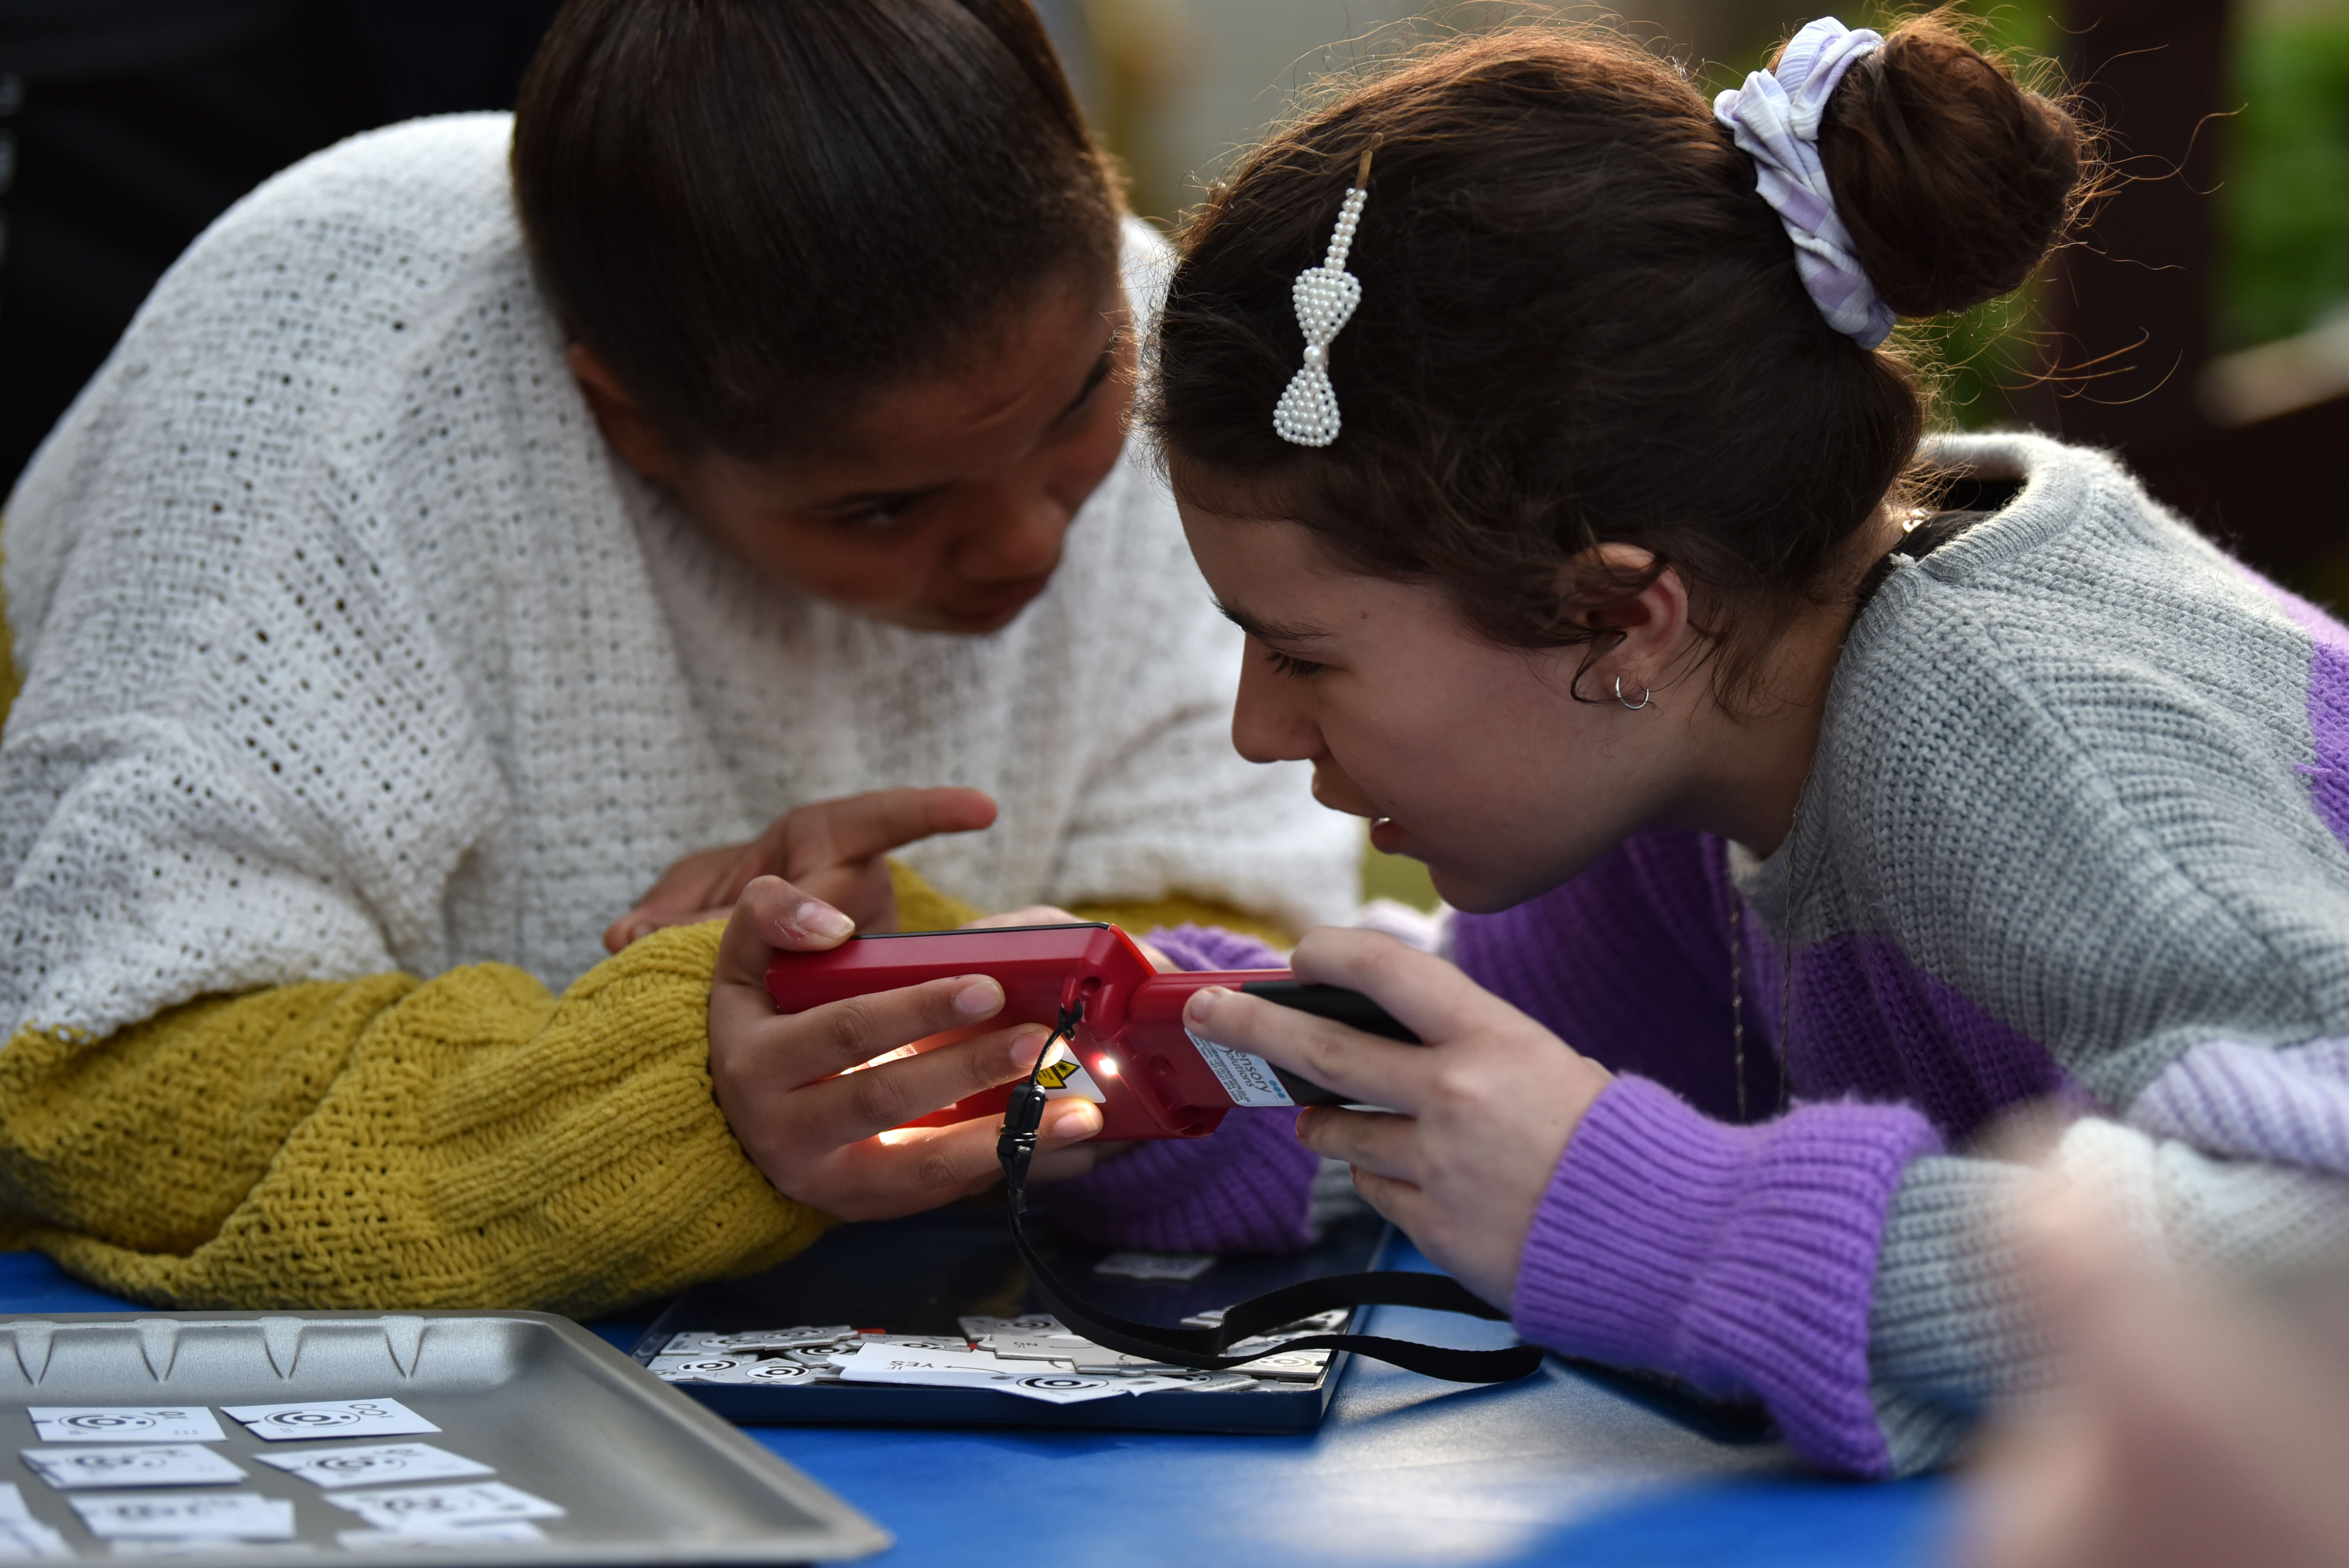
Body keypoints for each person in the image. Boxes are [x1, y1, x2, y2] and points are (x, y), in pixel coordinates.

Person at [0, 0, 1357, 1314]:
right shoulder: (318, 391)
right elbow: (94, 1081)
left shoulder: (1142, 308)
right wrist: (696, 1090)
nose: (1024, 544)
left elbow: (1253, 992)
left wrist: (898, 988)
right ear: (627, 422)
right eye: (879, 507)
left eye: (1081, 403)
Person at [1147, 15, 2349, 1474]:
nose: (1257, 728)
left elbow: (2317, 1266)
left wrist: (1675, 1222)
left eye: (1303, 653)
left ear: (1618, 618)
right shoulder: (1699, 728)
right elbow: (1497, 1118)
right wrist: (1159, 1070)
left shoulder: (2030, 733)